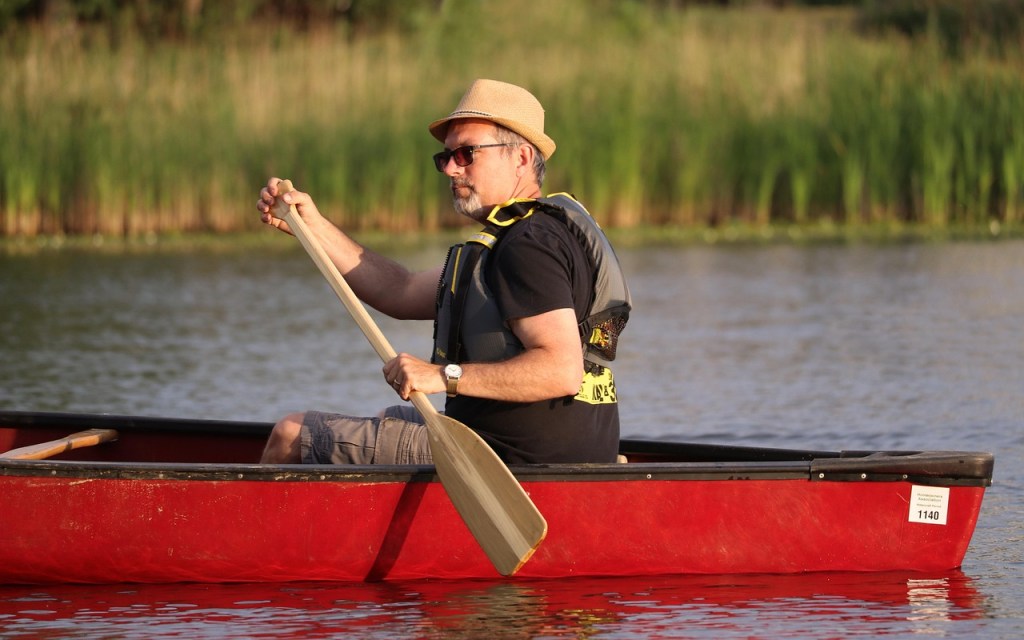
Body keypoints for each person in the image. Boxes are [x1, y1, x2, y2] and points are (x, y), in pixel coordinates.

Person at [257, 78, 631, 465]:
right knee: (388, 418)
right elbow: (399, 291)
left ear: (520, 157)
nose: (451, 169)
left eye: (467, 153)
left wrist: (442, 375)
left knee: (290, 435)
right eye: (446, 157)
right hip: (551, 444)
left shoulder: (527, 244)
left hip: (509, 458)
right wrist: (312, 226)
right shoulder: (535, 234)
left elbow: (560, 370)